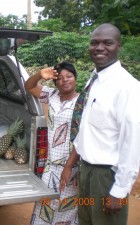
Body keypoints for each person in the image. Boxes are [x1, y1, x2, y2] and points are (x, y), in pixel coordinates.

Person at [60, 23, 140, 225]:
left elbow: (132, 143)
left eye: (108, 43)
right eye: (94, 43)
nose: (99, 47)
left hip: (107, 177)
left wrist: (120, 191)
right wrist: (72, 165)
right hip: (86, 171)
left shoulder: (127, 87)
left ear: (118, 46)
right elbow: (86, 128)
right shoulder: (93, 80)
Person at [24, 61, 79, 225]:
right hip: (50, 166)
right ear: (55, 82)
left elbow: (84, 138)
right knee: (45, 206)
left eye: (69, 76)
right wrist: (40, 75)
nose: (65, 80)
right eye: (60, 78)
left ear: (75, 78)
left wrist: (73, 167)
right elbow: (29, 86)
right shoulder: (51, 95)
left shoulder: (83, 103)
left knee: (66, 208)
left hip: (72, 166)